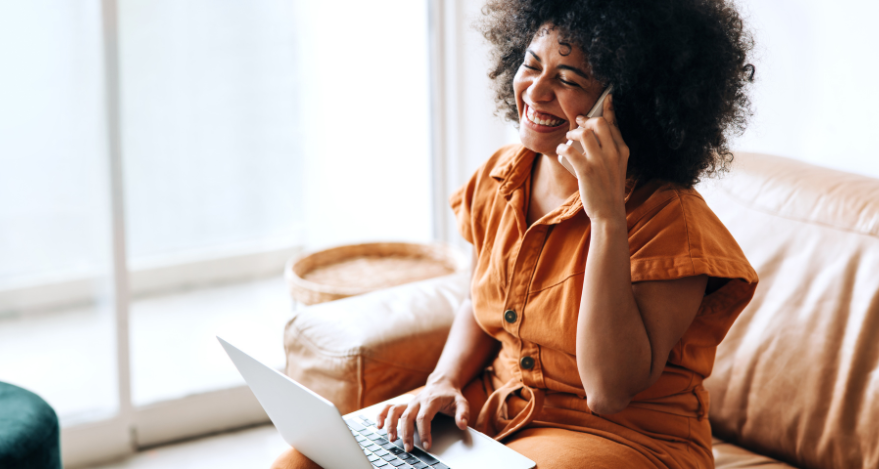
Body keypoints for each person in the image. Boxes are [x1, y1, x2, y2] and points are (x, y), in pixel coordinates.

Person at [272, 0, 757, 467]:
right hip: (495, 411)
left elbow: (609, 392)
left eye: (568, 79)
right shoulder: (501, 175)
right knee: (306, 459)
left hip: (621, 437)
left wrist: (606, 216)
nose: (535, 91)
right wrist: (442, 382)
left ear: (626, 103)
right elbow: (476, 304)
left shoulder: (670, 220)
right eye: (531, 64)